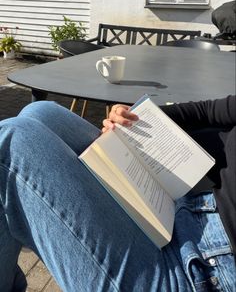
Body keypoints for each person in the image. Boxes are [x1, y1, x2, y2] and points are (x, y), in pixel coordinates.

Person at [0, 96, 235, 292]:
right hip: (186, 203)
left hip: (202, 269)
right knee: (41, 112)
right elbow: (210, 111)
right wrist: (135, 118)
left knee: (11, 143)